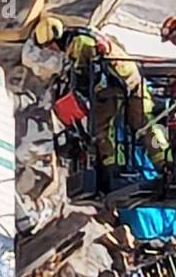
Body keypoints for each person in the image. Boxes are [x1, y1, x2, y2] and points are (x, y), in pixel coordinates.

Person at [33, 17, 169, 172]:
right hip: (130, 78)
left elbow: (85, 74)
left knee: (100, 126)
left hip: (115, 85)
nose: (51, 50)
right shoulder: (82, 36)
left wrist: (76, 92)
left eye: (49, 46)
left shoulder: (79, 43)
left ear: (54, 40)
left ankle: (113, 168)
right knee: (143, 123)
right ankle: (164, 164)